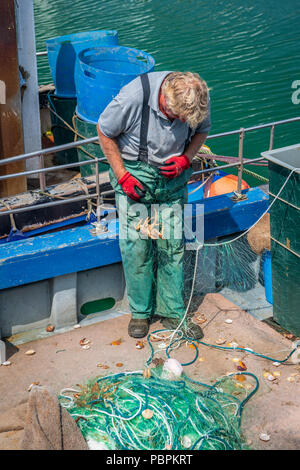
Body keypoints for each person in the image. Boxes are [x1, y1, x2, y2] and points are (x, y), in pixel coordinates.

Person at [97, 71, 211, 339]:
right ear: (164, 98)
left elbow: (202, 131)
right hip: (134, 176)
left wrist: (187, 158)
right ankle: (140, 313)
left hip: (172, 181)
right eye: (177, 118)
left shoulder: (197, 99)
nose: (183, 122)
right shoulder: (134, 96)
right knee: (136, 247)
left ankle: (172, 312)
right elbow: (104, 132)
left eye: (186, 120)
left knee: (172, 245)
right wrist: (123, 176)